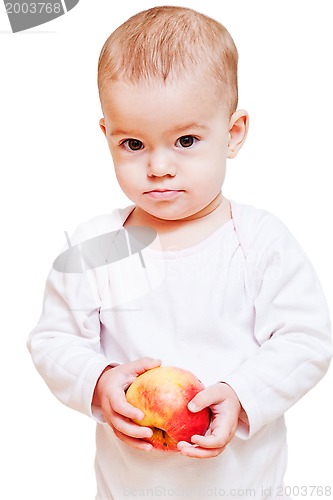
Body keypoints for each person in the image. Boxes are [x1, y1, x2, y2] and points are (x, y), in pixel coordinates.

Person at [27, 6, 332, 499]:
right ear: (106, 137)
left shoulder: (260, 241)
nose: (159, 166)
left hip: (244, 487)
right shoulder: (96, 249)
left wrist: (243, 396)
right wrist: (99, 380)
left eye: (186, 140)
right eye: (133, 144)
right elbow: (52, 340)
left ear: (233, 134)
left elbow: (306, 339)